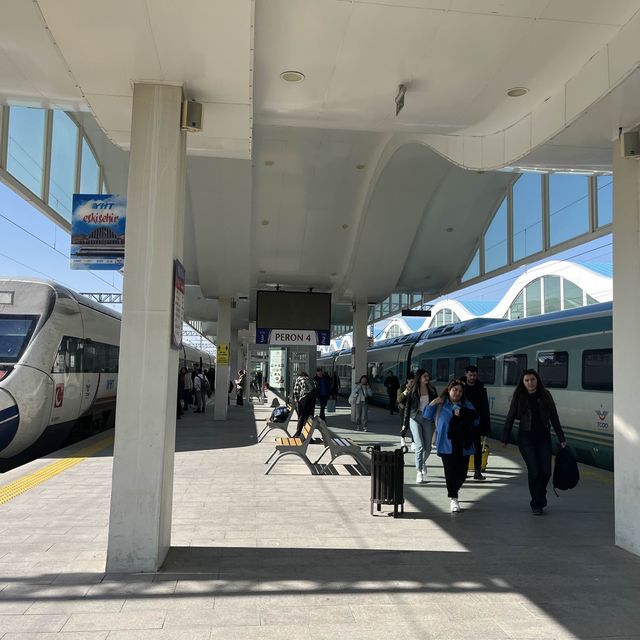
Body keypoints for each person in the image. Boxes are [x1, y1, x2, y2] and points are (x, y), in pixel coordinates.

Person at [502, 369, 567, 515]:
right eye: (527, 380)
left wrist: (561, 438)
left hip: (544, 439)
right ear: (523, 382)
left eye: (532, 379)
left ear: (537, 380)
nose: (530, 382)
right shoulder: (519, 396)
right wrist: (505, 437)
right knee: (535, 471)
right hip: (526, 439)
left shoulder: (545, 395)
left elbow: (554, 418)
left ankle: (539, 494)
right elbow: (511, 416)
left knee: (546, 472)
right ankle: (536, 503)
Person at [424, 379, 478, 513]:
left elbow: (476, 420)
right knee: (450, 472)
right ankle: (453, 498)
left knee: (462, 473)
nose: (457, 393)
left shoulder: (466, 404)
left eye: (460, 391)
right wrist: (433, 403)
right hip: (446, 443)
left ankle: (455, 489)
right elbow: (427, 416)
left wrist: (463, 413)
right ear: (449, 390)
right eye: (455, 390)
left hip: (464, 444)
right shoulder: (442, 404)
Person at [403, 369, 438, 483]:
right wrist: (404, 424)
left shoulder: (432, 389)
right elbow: (407, 406)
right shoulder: (413, 390)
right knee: (419, 446)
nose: (427, 378)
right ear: (420, 378)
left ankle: (422, 462)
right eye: (425, 376)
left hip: (428, 419)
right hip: (415, 418)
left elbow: (437, 403)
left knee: (428, 448)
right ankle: (419, 472)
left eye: (428, 376)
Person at [462, 365, 491, 480]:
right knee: (464, 448)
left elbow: (485, 407)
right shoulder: (461, 387)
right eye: (470, 375)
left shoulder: (480, 388)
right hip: (463, 423)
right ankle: (463, 471)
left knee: (477, 448)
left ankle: (477, 472)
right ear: (466, 374)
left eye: (474, 375)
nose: (472, 377)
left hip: (476, 423)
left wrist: (486, 427)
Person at [292, 371, 317, 438]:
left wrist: (296, 399)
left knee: (301, 416)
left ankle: (298, 433)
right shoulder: (310, 379)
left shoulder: (299, 379)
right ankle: (309, 436)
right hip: (312, 399)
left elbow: (296, 391)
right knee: (309, 418)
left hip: (304, 399)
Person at [398, 371, 415, 446]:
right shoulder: (402, 388)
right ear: (408, 380)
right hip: (403, 409)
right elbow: (399, 399)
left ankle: (413, 442)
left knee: (414, 426)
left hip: (413, 410)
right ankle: (402, 438)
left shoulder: (416, 388)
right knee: (404, 425)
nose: (412, 383)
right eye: (411, 381)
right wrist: (406, 391)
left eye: (413, 381)